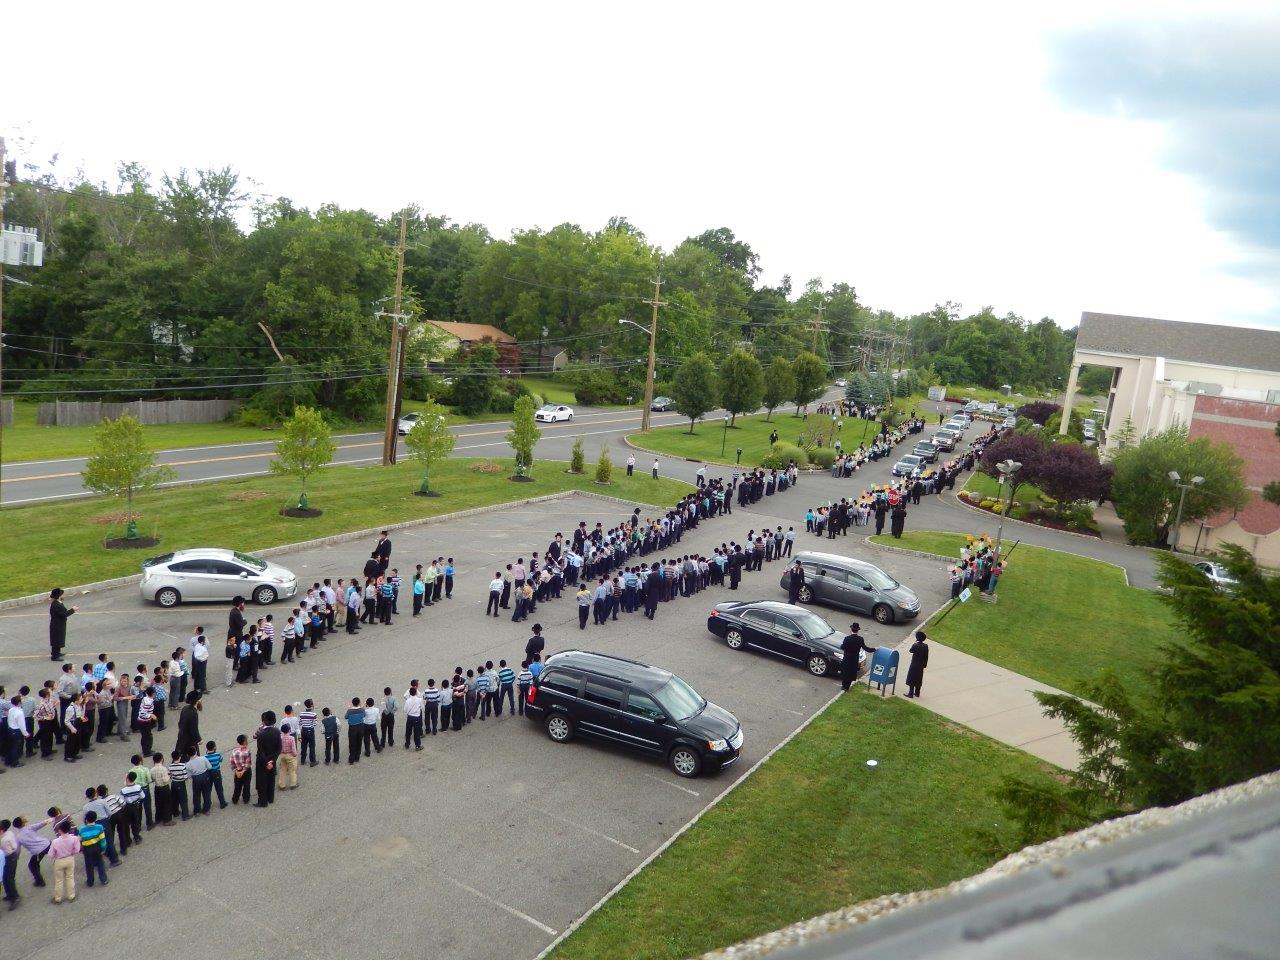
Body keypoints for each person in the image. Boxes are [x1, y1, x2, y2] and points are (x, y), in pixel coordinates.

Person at [254, 711, 282, 807]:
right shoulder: (277, 731)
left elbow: (260, 751)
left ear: (264, 721)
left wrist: (266, 762)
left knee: (261, 782)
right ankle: (270, 798)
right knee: (271, 780)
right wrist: (272, 761)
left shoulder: (261, 734)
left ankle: (263, 802)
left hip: (262, 762)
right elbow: (279, 749)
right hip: (272, 760)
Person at [49, 821, 80, 904]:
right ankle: (71, 896)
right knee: (70, 877)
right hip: (70, 859)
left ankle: (58, 898)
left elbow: (51, 854)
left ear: (60, 830)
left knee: (59, 880)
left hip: (59, 861)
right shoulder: (74, 838)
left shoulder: (55, 841)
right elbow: (77, 850)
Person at [840, 623, 877, 692]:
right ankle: (847, 687)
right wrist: (874, 649)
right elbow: (866, 648)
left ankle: (843, 686)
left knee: (845, 671)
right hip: (854, 659)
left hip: (847, 658)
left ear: (851, 629)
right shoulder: (860, 639)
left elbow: (842, 647)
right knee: (851, 673)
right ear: (857, 630)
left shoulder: (847, 639)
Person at [48, 588, 76, 662]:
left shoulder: (57, 603)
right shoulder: (57, 605)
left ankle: (57, 652)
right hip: (57, 625)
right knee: (56, 640)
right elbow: (64, 614)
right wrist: (73, 610)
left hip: (58, 624)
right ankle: (54, 656)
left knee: (58, 639)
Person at [905, 630, 929, 698]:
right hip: (921, 665)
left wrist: (914, 643)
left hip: (914, 664)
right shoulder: (925, 646)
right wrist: (924, 665)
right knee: (919, 678)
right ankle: (917, 693)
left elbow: (911, 651)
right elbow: (926, 656)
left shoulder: (915, 645)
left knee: (912, 678)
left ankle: (911, 693)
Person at [230, 735, 253, 804]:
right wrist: (243, 771)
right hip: (246, 771)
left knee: (237, 786)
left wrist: (236, 771)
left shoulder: (234, 751)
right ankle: (246, 799)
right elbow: (248, 763)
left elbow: (232, 762)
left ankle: (235, 799)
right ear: (245, 742)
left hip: (237, 770)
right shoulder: (247, 751)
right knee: (246, 785)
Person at [344, 699, 365, 764]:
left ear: (352, 703)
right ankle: (357, 757)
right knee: (359, 742)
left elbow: (346, 717)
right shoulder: (362, 710)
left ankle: (351, 759)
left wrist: (349, 708)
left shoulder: (349, 711)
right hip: (361, 727)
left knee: (352, 743)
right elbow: (364, 715)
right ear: (359, 703)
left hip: (352, 728)